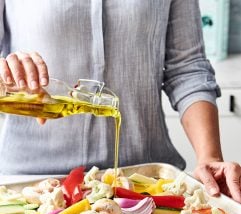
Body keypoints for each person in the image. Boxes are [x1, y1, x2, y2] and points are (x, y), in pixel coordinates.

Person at [0, 0, 240, 201]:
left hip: (145, 183)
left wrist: (210, 158)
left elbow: (187, 69)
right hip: (29, 187)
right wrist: (6, 72)